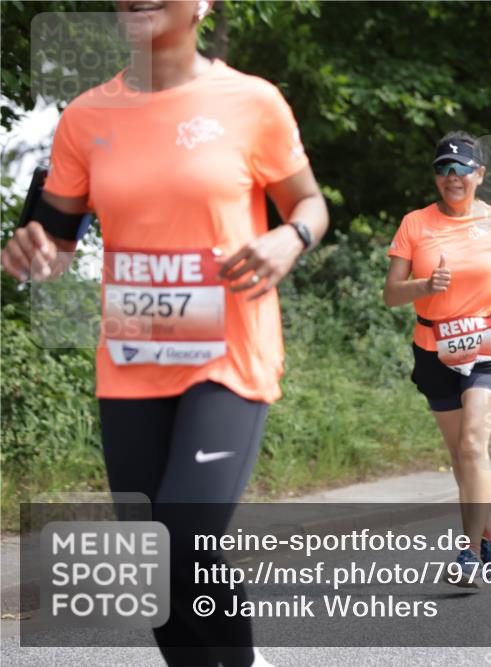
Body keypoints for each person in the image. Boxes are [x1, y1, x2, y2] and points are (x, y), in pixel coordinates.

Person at [1, 2, 328, 665]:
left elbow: (310, 204)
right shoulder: (87, 117)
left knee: (185, 537)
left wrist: (287, 240)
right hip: (133, 358)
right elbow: (57, 240)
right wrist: (33, 251)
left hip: (228, 356)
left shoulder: (252, 102)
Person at [383, 131, 491, 584]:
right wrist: (423, 287)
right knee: (460, 456)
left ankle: (470, 554)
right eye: (443, 169)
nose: (452, 177)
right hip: (434, 348)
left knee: (474, 444)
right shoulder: (414, 223)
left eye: (461, 169)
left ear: (480, 174)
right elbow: (390, 294)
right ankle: (490, 529)